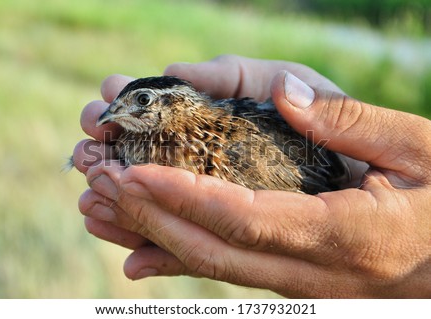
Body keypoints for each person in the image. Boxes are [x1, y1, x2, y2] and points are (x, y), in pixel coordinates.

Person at [71, 55, 431, 298]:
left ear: (176, 105)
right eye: (123, 105)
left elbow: (324, 177)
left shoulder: (239, 147)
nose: (117, 113)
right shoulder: (135, 143)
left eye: (143, 101)